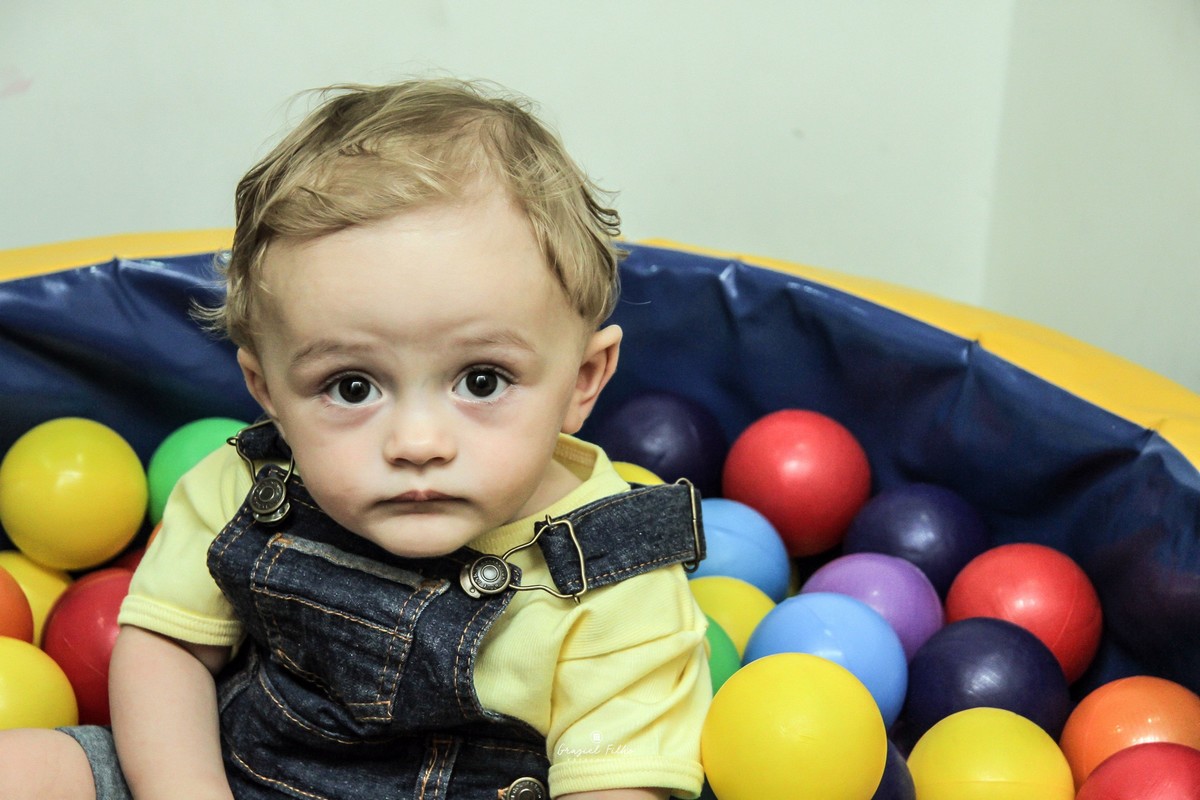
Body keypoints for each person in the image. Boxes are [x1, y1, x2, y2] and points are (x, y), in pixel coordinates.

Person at [0, 79, 710, 799]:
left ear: (583, 380)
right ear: (268, 391)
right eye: (351, 387)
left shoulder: (620, 589)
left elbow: (616, 786)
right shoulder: (252, 486)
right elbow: (167, 648)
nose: (417, 441)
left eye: (484, 380)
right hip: (231, 773)